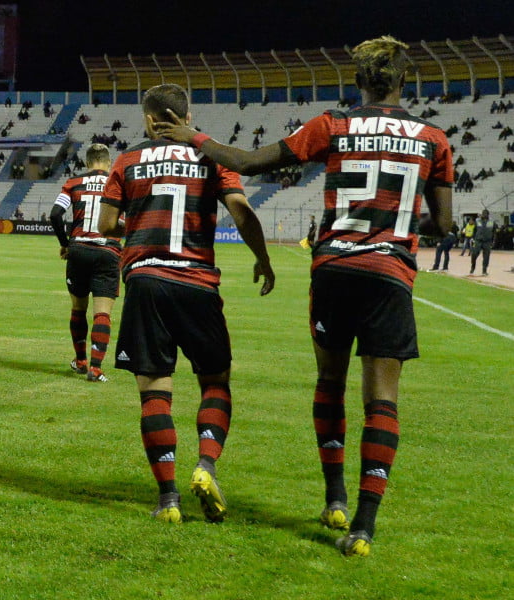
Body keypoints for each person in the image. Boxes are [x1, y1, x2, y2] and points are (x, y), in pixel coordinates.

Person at [155, 35, 453, 557]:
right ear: (405, 81)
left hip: (335, 269)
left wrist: (194, 136)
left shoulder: (332, 125)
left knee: (330, 382)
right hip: (389, 273)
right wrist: (399, 227)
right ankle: (362, 526)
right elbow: (445, 223)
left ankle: (334, 497)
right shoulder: (434, 138)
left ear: (357, 81)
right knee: (381, 399)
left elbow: (249, 162)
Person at [97, 84, 275, 525]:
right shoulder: (211, 155)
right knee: (215, 382)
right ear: (187, 116)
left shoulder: (127, 160)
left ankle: (169, 499)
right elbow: (240, 211)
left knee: (154, 390)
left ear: (148, 119)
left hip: (146, 280)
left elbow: (105, 224)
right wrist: (263, 258)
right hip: (197, 282)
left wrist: (140, 221)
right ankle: (206, 465)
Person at [49, 143, 121, 382]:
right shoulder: (117, 183)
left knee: (78, 309)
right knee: (102, 313)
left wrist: (65, 244)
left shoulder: (74, 182)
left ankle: (80, 361)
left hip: (79, 250)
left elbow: (55, 214)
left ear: (87, 162)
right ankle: (95, 368)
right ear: (108, 162)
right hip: (107, 251)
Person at [469, 209, 496, 276]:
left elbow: (494, 232)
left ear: (488, 215)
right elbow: (474, 230)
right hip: (478, 240)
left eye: (485, 214)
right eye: (483, 213)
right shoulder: (477, 221)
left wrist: (493, 241)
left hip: (487, 241)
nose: (483, 215)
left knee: (486, 256)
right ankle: (473, 266)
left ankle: (484, 270)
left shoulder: (492, 222)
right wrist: (472, 238)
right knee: (474, 254)